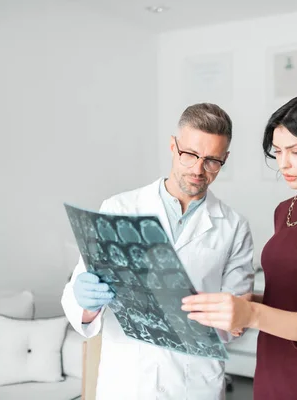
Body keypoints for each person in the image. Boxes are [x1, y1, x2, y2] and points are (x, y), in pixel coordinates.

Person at [181, 92, 297, 399]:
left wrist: (251, 314)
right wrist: (249, 301)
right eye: (278, 152)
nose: (283, 164)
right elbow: (295, 293)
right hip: (270, 365)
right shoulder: (285, 210)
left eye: (295, 151)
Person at [61, 103, 255, 400]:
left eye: (212, 161)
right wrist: (85, 301)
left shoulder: (233, 227)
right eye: (189, 155)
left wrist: (227, 316)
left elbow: (234, 320)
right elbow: (79, 303)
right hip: (127, 382)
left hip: (193, 384)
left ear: (224, 159)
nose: (198, 170)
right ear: (173, 146)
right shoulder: (119, 208)